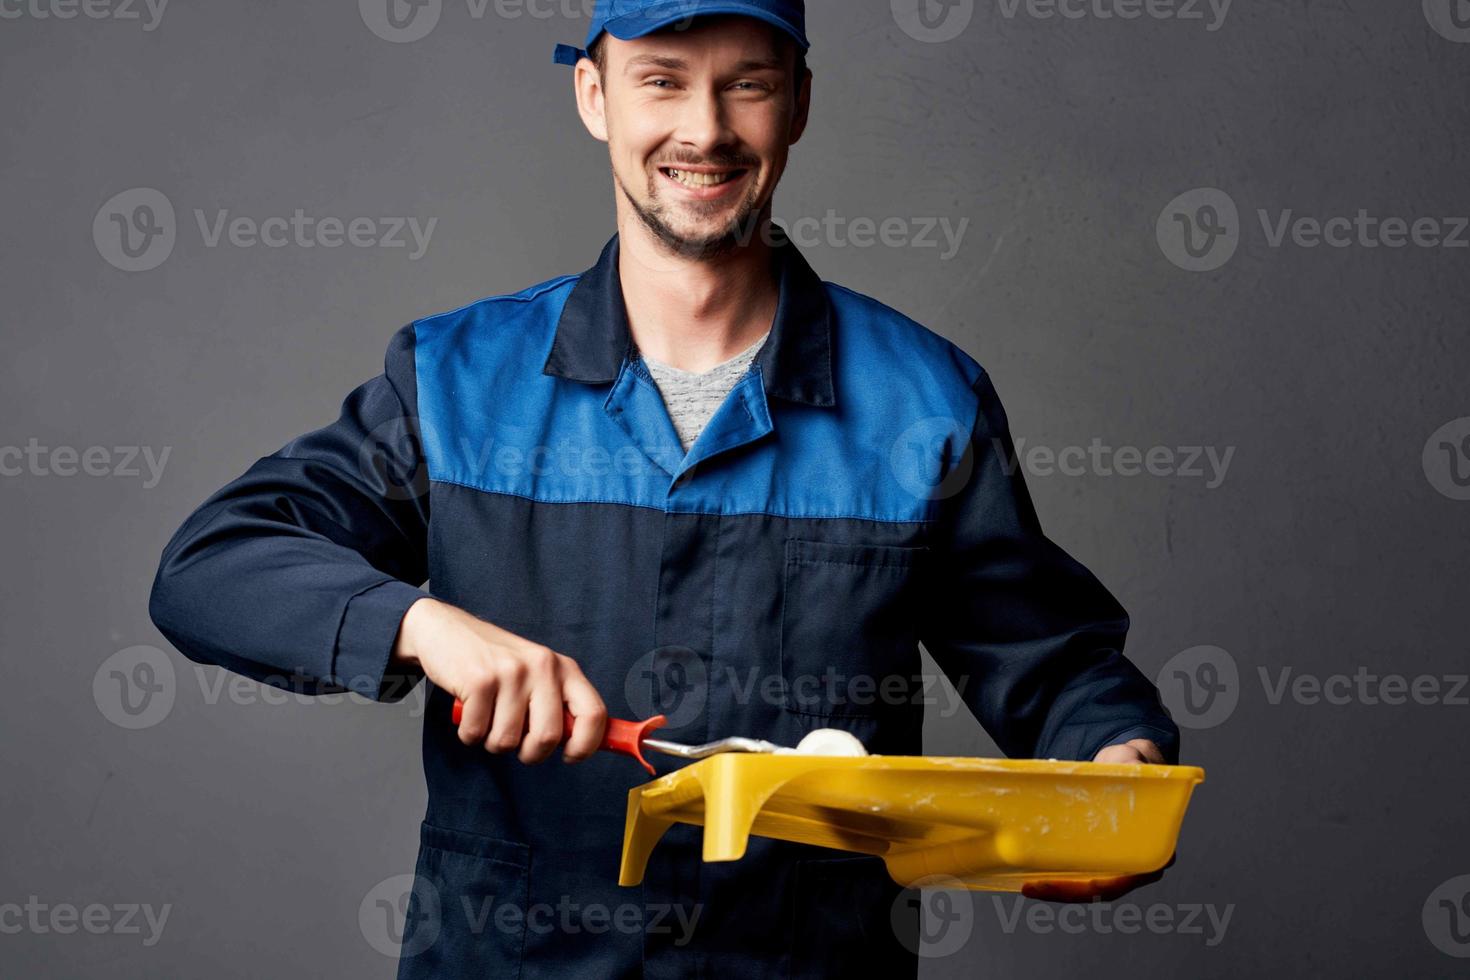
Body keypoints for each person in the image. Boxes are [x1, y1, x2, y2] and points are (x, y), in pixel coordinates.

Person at [148, 1, 1181, 975]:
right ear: (595, 96)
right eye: (661, 81)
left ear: (800, 104)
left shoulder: (926, 402)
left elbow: (1055, 667)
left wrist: (1118, 767)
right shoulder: (456, 384)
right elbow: (212, 566)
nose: (706, 129)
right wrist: (423, 625)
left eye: (747, 86)